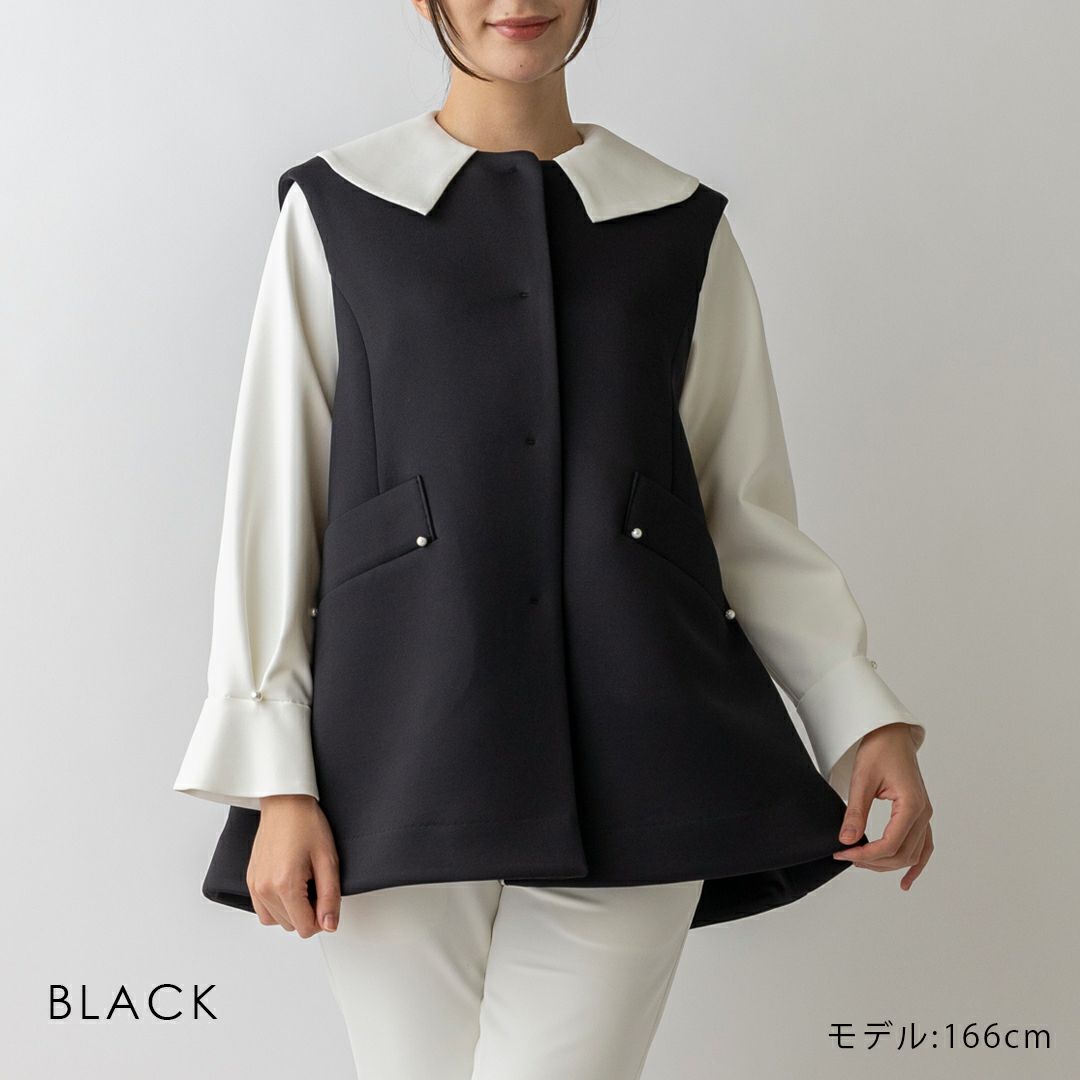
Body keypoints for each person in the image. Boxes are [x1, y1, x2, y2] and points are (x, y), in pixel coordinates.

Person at [172, 2, 934, 1076]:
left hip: (644, 744)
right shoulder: (337, 209)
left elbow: (744, 509)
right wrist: (276, 781)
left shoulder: (679, 224)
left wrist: (861, 717)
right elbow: (274, 498)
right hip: (394, 755)